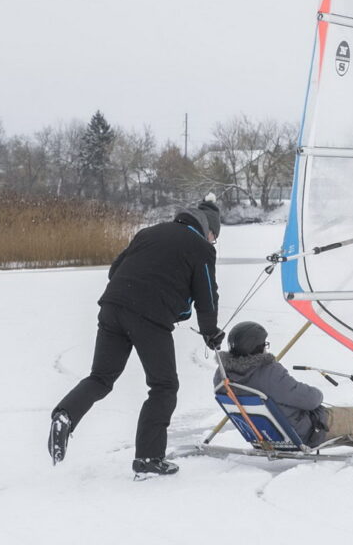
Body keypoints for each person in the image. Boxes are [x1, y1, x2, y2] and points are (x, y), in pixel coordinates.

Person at [48, 194, 223, 478]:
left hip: (112, 307)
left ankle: (65, 415)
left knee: (101, 378)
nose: (213, 242)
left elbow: (115, 270)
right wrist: (210, 332)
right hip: (149, 318)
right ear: (209, 230)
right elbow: (206, 296)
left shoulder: (148, 232)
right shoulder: (201, 248)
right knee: (164, 386)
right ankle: (148, 459)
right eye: (215, 237)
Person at [212, 320, 353, 451]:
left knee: (352, 430)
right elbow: (311, 400)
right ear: (256, 347)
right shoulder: (268, 372)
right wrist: (316, 393)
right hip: (302, 432)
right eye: (264, 344)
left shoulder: (222, 376)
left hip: (265, 434)